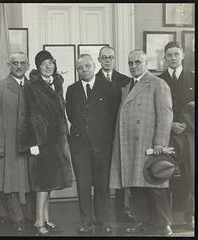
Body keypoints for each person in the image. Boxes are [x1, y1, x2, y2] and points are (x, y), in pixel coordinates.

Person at [109, 50, 173, 236]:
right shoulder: (127, 86)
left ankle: (163, 224)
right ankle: (145, 221)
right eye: (130, 63)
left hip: (149, 143)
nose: (133, 66)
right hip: (130, 143)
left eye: (137, 62)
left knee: (155, 182)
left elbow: (165, 115)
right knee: (137, 185)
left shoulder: (157, 84)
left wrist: (160, 142)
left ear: (146, 63)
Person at [18, 50, 73, 235]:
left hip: (57, 141)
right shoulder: (31, 86)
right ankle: (38, 221)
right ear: (38, 67)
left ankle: (47, 218)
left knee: (51, 183)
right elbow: (25, 115)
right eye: (44, 64)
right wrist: (31, 143)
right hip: (41, 142)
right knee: (42, 184)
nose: (48, 67)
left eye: (51, 63)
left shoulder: (57, 84)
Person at [66, 54, 116, 234]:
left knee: (103, 184)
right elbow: (71, 114)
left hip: (102, 146)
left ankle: (103, 221)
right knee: (83, 184)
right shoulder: (72, 90)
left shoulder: (107, 87)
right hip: (80, 146)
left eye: (87, 66)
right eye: (80, 67)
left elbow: (112, 115)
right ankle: (86, 222)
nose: (84, 70)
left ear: (94, 66)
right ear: (77, 70)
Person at [0, 52, 36, 235]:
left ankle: (31, 216)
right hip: (8, 145)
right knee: (10, 185)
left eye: (22, 63)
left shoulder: (32, 86)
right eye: (15, 63)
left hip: (30, 145)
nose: (19, 66)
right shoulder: (0, 87)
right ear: (9, 64)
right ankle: (18, 219)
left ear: (28, 65)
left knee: (30, 183)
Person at [97, 46, 135, 224]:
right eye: (104, 57)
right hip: (102, 137)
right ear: (99, 60)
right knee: (102, 175)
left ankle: (124, 210)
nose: (107, 60)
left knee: (123, 174)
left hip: (122, 135)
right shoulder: (92, 79)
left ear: (114, 59)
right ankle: (102, 215)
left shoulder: (126, 80)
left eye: (110, 57)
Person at [158, 41, 195, 229]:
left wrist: (185, 124)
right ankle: (168, 220)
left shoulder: (193, 78)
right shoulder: (159, 80)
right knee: (166, 175)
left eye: (176, 54)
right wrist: (170, 124)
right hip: (168, 135)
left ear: (183, 55)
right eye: (169, 55)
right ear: (165, 58)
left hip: (190, 137)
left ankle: (191, 217)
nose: (173, 58)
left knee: (191, 177)